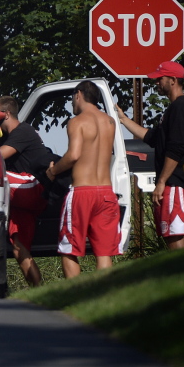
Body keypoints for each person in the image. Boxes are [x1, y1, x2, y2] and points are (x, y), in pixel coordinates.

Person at [115, 61, 184, 249]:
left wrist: (161, 182)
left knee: (174, 236)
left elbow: (176, 148)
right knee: (178, 234)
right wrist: (123, 119)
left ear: (173, 80)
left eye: (160, 79)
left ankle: (180, 276)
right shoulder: (174, 109)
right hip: (176, 183)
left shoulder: (180, 107)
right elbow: (151, 137)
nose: (157, 83)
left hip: (175, 182)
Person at [45, 81, 122, 279]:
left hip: (82, 191)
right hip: (106, 192)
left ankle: (77, 293)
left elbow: (73, 155)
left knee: (68, 248)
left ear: (78, 94)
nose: (72, 103)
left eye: (72, 98)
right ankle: (103, 297)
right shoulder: (109, 122)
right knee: (103, 252)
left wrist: (54, 171)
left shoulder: (77, 121)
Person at [0, 96, 54, 287]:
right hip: (21, 195)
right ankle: (38, 289)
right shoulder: (8, 136)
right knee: (19, 247)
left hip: (35, 186)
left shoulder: (23, 131)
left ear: (7, 114)